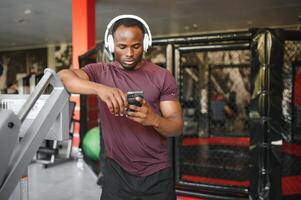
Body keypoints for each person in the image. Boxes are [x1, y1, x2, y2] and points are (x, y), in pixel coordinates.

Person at [58, 15, 183, 200]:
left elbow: (177, 126)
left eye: (136, 46)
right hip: (116, 173)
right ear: (111, 44)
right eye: (122, 47)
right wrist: (99, 89)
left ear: (145, 43)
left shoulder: (162, 76)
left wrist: (154, 119)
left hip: (157, 174)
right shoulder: (100, 72)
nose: (129, 53)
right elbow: (63, 78)